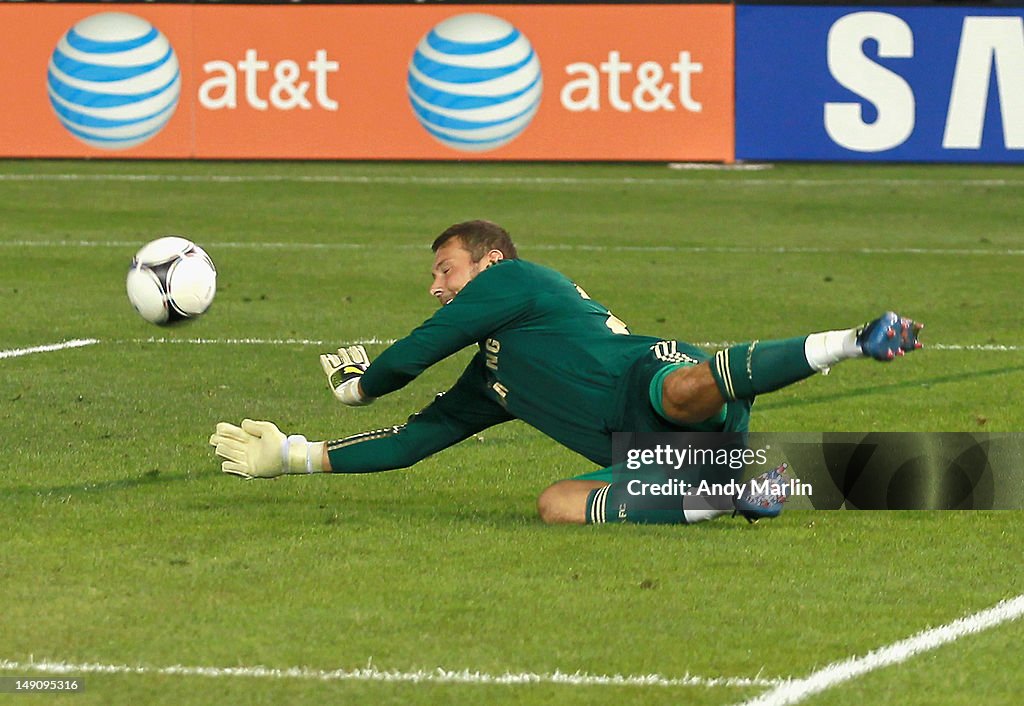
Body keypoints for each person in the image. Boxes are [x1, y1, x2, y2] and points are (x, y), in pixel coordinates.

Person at [210, 220, 923, 525]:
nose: (436, 286)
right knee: (555, 505)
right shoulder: (490, 380)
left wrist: (363, 384)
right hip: (652, 460)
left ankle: (855, 340)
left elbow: (419, 349)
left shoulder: (518, 279)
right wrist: (293, 458)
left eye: (445, 270)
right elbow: (415, 440)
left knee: (678, 389)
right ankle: (732, 493)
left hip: (656, 381)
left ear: (489, 264)